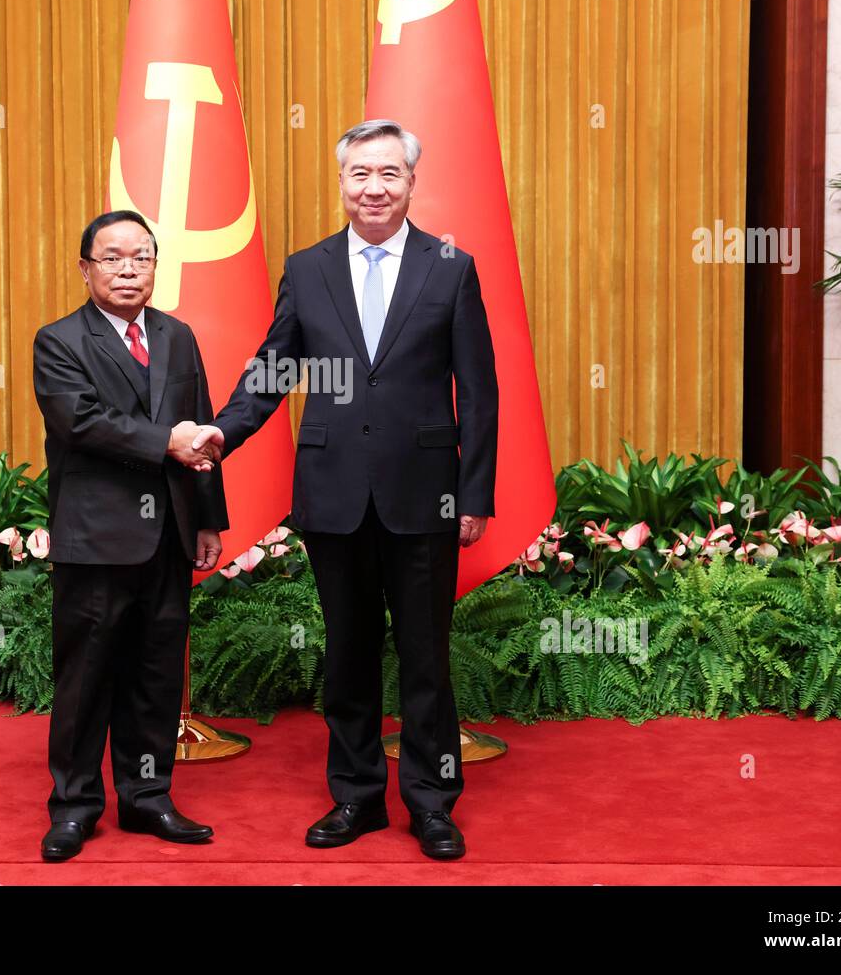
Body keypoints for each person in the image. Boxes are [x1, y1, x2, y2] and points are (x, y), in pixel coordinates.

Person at [193, 119, 498, 860]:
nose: (374, 187)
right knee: (348, 654)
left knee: (426, 657)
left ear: (411, 182)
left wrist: (475, 493)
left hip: (425, 496)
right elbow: (273, 368)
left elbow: (480, 391)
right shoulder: (308, 269)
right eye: (360, 173)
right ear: (341, 182)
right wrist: (222, 433)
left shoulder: (451, 267)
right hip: (334, 495)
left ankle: (431, 804)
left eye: (389, 173)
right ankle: (355, 797)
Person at [32, 209, 228, 862]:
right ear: (85, 267)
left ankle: (148, 801)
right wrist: (162, 442)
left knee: (155, 675)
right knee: (86, 677)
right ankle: (75, 807)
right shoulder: (58, 341)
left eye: (140, 257)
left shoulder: (177, 336)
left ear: (154, 264)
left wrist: (207, 516)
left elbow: (198, 431)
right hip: (96, 537)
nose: (127, 269)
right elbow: (81, 422)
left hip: (168, 534)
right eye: (112, 257)